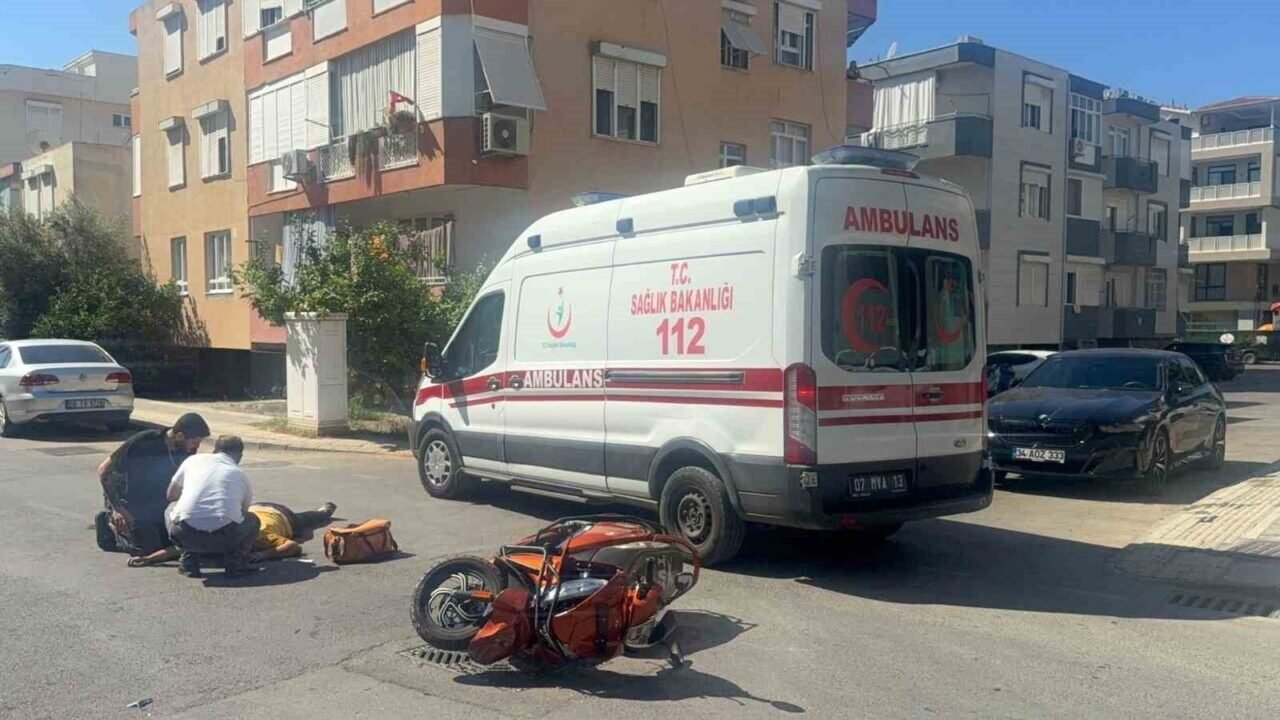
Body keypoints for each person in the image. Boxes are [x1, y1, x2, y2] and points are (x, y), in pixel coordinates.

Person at [97, 413, 211, 557]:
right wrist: (117, 509)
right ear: (180, 436)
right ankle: (109, 524)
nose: (197, 447)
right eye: (195, 442)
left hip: (157, 505)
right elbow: (104, 471)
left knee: (173, 541)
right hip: (127, 501)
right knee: (146, 548)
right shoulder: (145, 440)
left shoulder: (187, 452)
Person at [127, 501, 337, 568]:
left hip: (280, 514)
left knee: (307, 520)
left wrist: (262, 555)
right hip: (255, 508)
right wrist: (148, 559)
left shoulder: (260, 536)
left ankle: (325, 511)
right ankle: (323, 511)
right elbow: (178, 548)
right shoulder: (229, 533)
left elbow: (293, 546)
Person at [165, 435, 258, 579]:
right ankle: (236, 563)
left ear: (215, 450)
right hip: (226, 538)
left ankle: (188, 561)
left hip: (186, 534)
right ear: (239, 457)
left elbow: (171, 495)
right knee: (253, 520)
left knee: (171, 508)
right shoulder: (240, 475)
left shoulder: (192, 460)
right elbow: (242, 513)